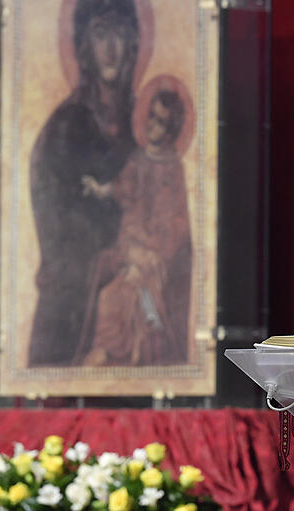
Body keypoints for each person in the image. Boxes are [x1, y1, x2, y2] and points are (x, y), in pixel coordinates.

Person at [27, 0, 139, 366]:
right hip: (71, 306)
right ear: (84, 47)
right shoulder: (66, 127)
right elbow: (58, 226)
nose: (111, 48)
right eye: (100, 33)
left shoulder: (147, 120)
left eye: (120, 33)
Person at [75, 86, 192, 366]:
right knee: (107, 289)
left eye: (161, 122)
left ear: (172, 128)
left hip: (156, 256)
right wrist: (101, 189)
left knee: (123, 295)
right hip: (131, 245)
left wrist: (150, 255)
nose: (153, 126)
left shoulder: (173, 168)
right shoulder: (138, 159)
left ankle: (121, 351)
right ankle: (107, 349)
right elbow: (122, 188)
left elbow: (176, 223)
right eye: (151, 117)